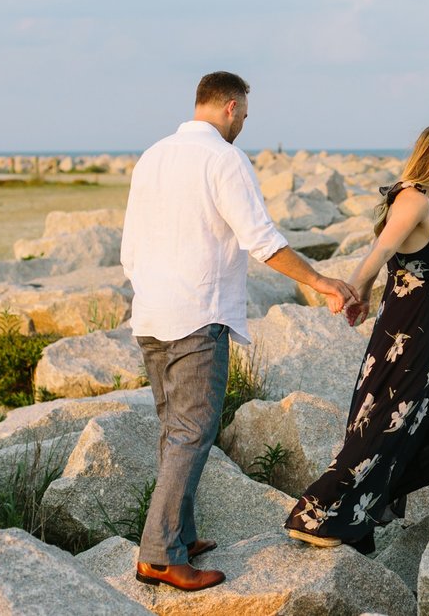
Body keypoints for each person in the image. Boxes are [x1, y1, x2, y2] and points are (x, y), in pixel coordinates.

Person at [121, 71, 358, 591]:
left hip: (152, 315)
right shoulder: (223, 159)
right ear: (230, 107)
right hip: (196, 316)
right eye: (245, 116)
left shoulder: (153, 155)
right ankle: (159, 556)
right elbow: (261, 239)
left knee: (174, 432)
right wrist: (320, 281)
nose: (244, 126)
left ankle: (178, 535)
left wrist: (152, 291)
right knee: (192, 433)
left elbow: (130, 249)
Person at [283, 122, 429, 553]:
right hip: (409, 330)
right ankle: (315, 511)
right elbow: (379, 251)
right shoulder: (413, 198)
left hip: (425, 325)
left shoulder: (418, 196)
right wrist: (351, 291)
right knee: (382, 423)